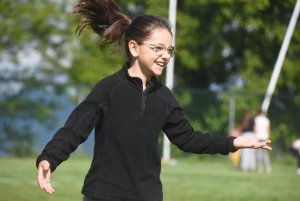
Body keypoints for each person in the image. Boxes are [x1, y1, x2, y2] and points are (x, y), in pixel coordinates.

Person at [36, 1, 272, 200]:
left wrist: (233, 143)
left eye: (169, 50)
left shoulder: (164, 97)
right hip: (104, 194)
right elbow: (75, 128)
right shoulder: (109, 89)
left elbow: (189, 139)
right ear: (134, 48)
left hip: (148, 195)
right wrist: (49, 157)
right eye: (158, 48)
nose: (165, 56)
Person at [254, 108, 272, 173]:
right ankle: (268, 167)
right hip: (265, 137)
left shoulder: (256, 119)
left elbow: (255, 129)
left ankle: (260, 167)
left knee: (259, 153)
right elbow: (268, 130)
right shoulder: (266, 120)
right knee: (265, 153)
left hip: (259, 137)